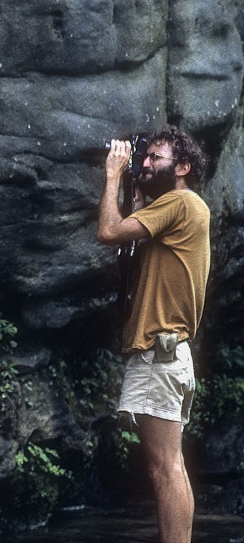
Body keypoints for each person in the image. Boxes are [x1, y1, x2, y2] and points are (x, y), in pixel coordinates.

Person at [97, 124, 210, 543]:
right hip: (170, 354)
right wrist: (139, 194)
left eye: (154, 159)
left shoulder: (180, 202)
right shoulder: (184, 210)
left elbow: (108, 231)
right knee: (169, 465)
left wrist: (113, 174)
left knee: (165, 467)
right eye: (142, 158)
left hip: (159, 354)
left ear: (182, 167)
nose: (144, 164)